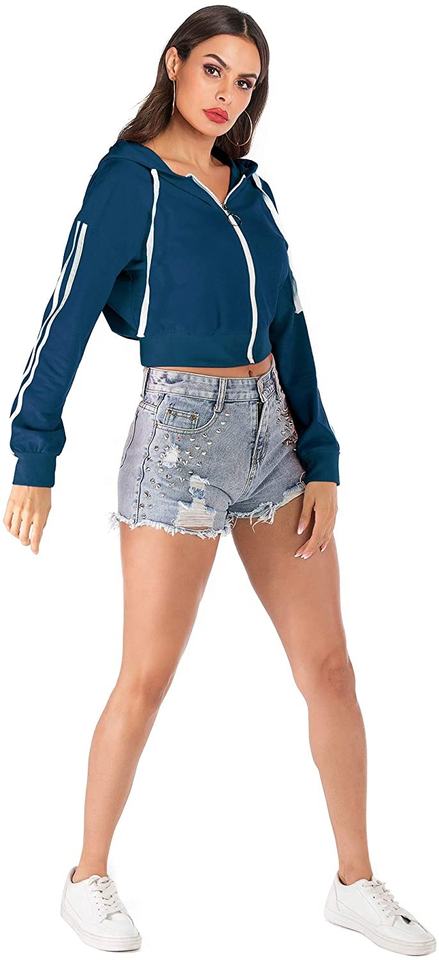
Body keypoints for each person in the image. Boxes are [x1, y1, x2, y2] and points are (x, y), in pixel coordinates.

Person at [4, 5, 436, 956]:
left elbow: (289, 323)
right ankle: (86, 877)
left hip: (273, 435)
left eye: (244, 82)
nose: (225, 95)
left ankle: (354, 883)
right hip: (179, 440)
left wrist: (322, 457)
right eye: (211, 69)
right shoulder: (129, 181)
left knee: (330, 668)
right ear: (173, 64)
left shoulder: (251, 188)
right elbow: (66, 313)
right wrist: (34, 453)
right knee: (147, 676)